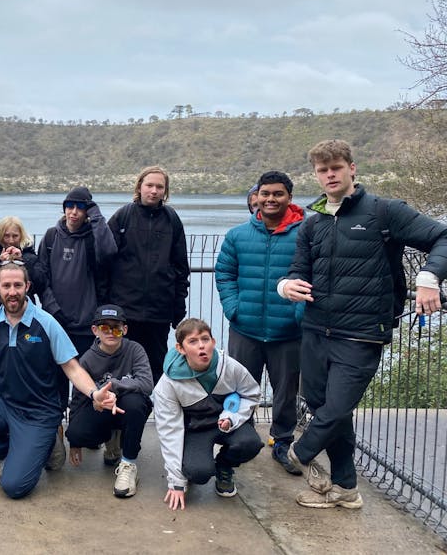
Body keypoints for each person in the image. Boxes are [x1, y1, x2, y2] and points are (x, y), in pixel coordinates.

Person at [279, 139, 447, 510]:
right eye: (323, 170)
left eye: (336, 167)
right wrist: (285, 285)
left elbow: (442, 237)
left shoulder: (385, 212)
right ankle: (345, 488)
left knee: (336, 408)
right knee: (327, 410)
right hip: (315, 330)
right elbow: (297, 271)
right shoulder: (312, 224)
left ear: (352, 168)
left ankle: (300, 453)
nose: (330, 175)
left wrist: (429, 278)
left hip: (361, 334)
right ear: (316, 176)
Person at [0, 262, 121, 499]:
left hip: (39, 412)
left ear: (27, 287)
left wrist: (94, 393)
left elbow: (72, 368)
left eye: (18, 285)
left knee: (14, 487)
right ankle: (9, 450)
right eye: (6, 285)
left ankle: (47, 444)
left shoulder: (46, 323)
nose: (12, 291)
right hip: (5, 403)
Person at [215, 170, 305, 475]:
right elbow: (225, 273)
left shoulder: (305, 234)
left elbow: (314, 276)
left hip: (288, 332)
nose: (271, 199)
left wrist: (298, 314)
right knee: (238, 388)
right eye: (266, 194)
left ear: (289, 198)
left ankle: (282, 442)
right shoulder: (238, 235)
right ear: (257, 197)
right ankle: (242, 438)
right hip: (246, 328)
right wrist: (234, 308)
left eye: (278, 194)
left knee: (286, 392)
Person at [38, 186, 117, 468]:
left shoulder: (95, 239)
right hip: (58, 324)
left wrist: (96, 216)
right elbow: (41, 279)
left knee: (85, 384)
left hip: (87, 326)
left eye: (80, 207)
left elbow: (109, 252)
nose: (73, 212)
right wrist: (54, 312)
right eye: (69, 205)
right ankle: (57, 434)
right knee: (56, 382)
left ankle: (80, 435)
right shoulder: (50, 237)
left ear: (88, 211)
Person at [155, 318, 263, 511]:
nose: (201, 346)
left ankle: (224, 466)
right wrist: (176, 482)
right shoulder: (167, 384)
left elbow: (252, 394)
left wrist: (233, 418)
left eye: (205, 339)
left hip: (228, 423)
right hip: (196, 429)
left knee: (251, 443)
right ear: (180, 348)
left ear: (213, 342)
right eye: (193, 342)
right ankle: (195, 466)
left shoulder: (230, 366)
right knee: (198, 472)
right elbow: (169, 430)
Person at [106, 166, 189, 383]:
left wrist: (178, 305)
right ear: (139, 187)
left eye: (159, 187)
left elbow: (181, 266)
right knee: (121, 367)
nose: (153, 190)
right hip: (125, 310)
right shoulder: (122, 217)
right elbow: (104, 261)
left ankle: (159, 412)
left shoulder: (172, 220)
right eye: (149, 185)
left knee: (157, 370)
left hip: (158, 311)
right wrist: (106, 303)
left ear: (165, 191)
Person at [66, 304, 153, 498]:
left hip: (128, 408)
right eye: (105, 327)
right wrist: (74, 442)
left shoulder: (135, 349)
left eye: (116, 327)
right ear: (95, 330)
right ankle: (112, 439)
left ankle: (128, 463)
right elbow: (78, 399)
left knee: (135, 403)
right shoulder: (87, 359)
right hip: (102, 409)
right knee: (76, 433)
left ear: (125, 329)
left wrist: (113, 388)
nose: (111, 332)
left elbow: (147, 384)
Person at [0, 215, 46, 313]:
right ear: (1, 235)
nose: (11, 241)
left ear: (21, 236)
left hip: (25, 310)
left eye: (15, 236)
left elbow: (40, 284)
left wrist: (22, 262)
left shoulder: (30, 257)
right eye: (6, 236)